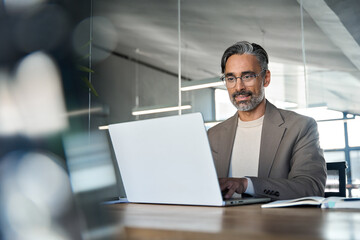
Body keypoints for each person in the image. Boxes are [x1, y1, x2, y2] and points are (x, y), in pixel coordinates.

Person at [207, 41, 327, 200]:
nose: (238, 87)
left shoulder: (300, 127)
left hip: (274, 223)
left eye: (247, 76)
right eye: (231, 78)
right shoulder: (214, 135)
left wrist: (246, 184)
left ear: (266, 78)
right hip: (223, 222)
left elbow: (311, 187)